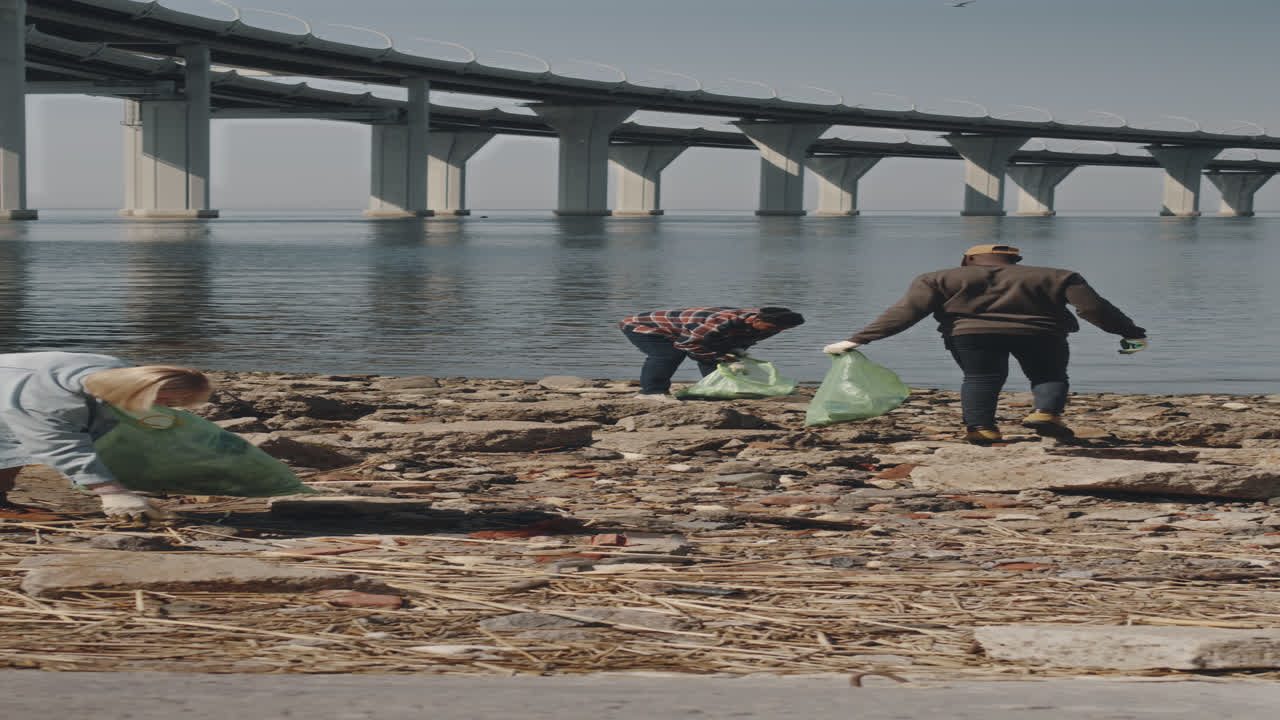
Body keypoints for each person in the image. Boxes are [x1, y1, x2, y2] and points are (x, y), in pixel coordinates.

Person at [822, 244, 1147, 444]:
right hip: (1042, 333)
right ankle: (1046, 413)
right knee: (1048, 375)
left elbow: (907, 312)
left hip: (970, 334)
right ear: (1015, 259)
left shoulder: (938, 278)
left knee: (980, 378)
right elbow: (1093, 309)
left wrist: (858, 339)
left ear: (968, 260)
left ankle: (982, 429)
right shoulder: (1059, 276)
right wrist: (1130, 333)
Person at [0, 352, 213, 521]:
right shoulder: (55, 400)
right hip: (17, 387)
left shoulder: (122, 373)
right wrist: (111, 492)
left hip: (16, 382)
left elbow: (99, 426)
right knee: (10, 440)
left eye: (171, 404)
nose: (164, 407)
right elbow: (58, 444)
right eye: (164, 400)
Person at [620, 307, 805, 398]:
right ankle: (652, 393)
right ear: (757, 320)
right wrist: (722, 357)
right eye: (773, 328)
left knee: (717, 356)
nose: (776, 331)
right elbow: (687, 345)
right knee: (668, 355)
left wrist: (735, 354)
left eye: (783, 329)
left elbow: (740, 341)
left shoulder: (772, 325)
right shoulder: (721, 322)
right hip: (646, 326)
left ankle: (714, 391)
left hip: (686, 331)